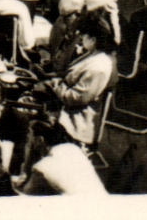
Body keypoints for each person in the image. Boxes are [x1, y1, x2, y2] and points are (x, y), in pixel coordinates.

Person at [38, 11, 116, 144]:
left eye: (83, 36)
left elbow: (77, 98)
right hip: (66, 105)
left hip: (74, 122)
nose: (80, 39)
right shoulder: (93, 54)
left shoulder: (98, 67)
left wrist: (55, 85)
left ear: (93, 39)